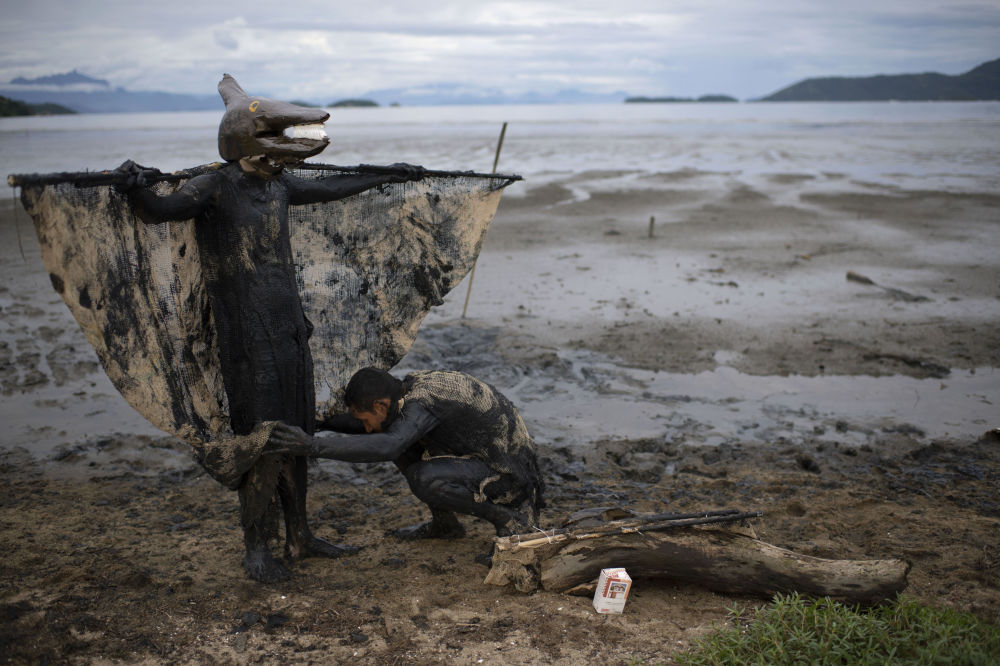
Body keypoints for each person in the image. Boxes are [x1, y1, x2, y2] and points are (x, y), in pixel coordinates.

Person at [119, 75, 424, 583]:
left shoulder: (278, 184)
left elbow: (332, 187)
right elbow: (159, 210)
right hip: (247, 340)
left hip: (290, 334)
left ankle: (299, 534)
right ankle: (257, 546)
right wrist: (134, 185)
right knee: (260, 438)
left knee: (299, 433)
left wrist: (385, 174)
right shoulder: (214, 185)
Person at [267, 367, 544, 542]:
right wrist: (322, 423)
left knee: (423, 476)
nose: (365, 427)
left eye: (366, 419)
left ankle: (508, 521)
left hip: (510, 475)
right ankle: (445, 525)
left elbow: (387, 445)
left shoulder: (423, 401)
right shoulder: (405, 395)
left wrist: (312, 446)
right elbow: (379, 431)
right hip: (482, 458)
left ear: (380, 404)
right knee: (399, 444)